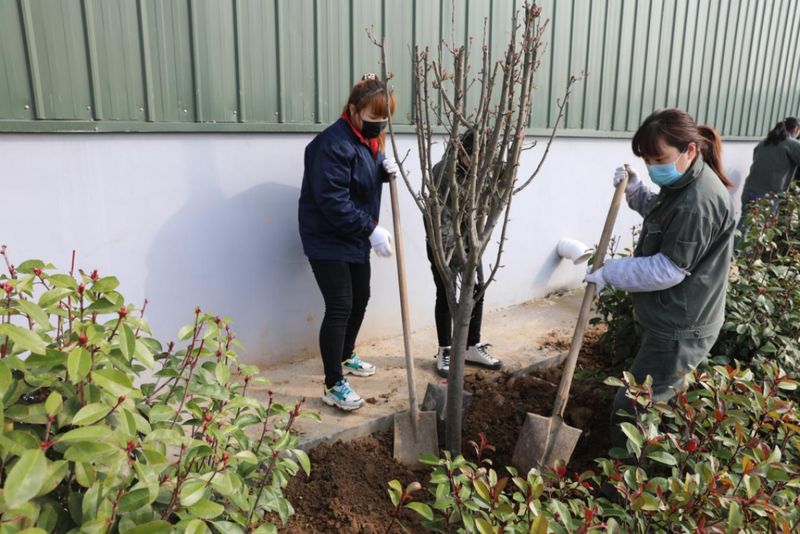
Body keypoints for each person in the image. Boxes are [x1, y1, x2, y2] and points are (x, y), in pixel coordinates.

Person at [584, 108, 736, 454]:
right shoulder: (684, 182)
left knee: (632, 406)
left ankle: (625, 484)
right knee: (657, 397)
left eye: (659, 158)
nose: (654, 167)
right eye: (648, 159)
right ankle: (666, 452)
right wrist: (636, 192)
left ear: (690, 150)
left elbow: (668, 269)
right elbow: (664, 216)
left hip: (682, 327)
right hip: (673, 317)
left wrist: (611, 271)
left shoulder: (700, 201)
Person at [298, 74, 399, 411]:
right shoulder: (331, 144)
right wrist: (370, 230)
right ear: (354, 111)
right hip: (326, 235)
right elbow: (332, 199)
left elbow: (358, 180)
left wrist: (382, 171)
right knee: (340, 305)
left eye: (384, 120)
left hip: (353, 234)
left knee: (362, 297)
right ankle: (333, 383)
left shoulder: (368, 141)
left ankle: (346, 353)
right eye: (373, 119)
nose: (379, 125)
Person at [427, 129, 502, 378]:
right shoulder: (444, 172)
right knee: (446, 292)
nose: (483, 166)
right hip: (443, 242)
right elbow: (444, 218)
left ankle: (471, 346)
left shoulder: (478, 173)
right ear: (461, 152)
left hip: (470, 240)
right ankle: (445, 349)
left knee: (478, 287)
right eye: (478, 159)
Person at [737, 117, 800, 236]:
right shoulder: (792, 144)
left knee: (745, 226)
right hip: (768, 196)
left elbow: (756, 159)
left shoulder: (764, 142)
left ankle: (733, 250)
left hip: (749, 189)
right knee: (760, 232)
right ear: (796, 129)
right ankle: (733, 252)